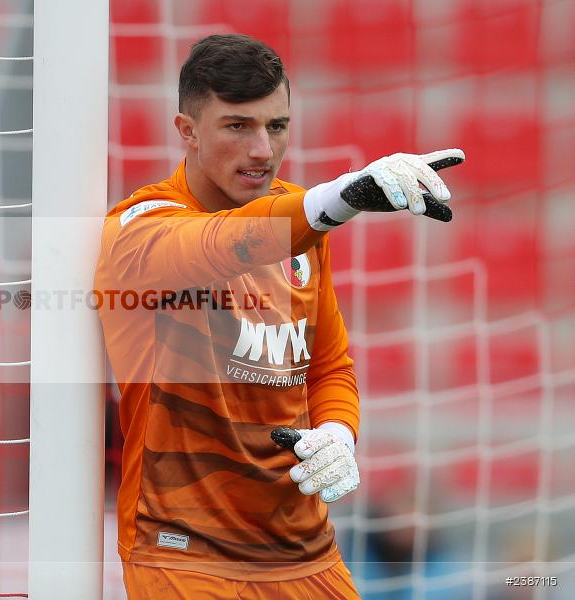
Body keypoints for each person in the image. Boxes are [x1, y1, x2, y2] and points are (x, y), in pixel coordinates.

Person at [94, 34, 464, 599]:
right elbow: (220, 244)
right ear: (187, 131)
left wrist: (338, 432)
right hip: (187, 554)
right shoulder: (140, 227)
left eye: (277, 126)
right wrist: (340, 198)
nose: (263, 150)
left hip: (303, 553)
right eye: (237, 126)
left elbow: (328, 368)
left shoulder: (304, 226)